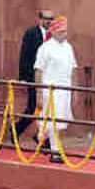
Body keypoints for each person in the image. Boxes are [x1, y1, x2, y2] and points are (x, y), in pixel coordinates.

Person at [35, 17, 77, 164]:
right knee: (54, 121)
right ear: (53, 32)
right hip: (50, 90)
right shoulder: (45, 48)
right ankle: (55, 151)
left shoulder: (68, 47)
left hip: (65, 89)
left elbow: (73, 70)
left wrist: (74, 90)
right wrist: (39, 92)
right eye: (60, 31)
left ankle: (41, 135)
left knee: (60, 120)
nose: (64, 34)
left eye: (65, 31)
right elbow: (38, 71)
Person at [15, 9, 54, 138]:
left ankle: (42, 137)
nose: (49, 21)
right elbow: (24, 55)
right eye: (46, 18)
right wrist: (23, 78)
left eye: (51, 19)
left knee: (50, 110)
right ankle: (17, 129)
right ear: (40, 19)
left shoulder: (54, 35)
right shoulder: (31, 33)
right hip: (34, 76)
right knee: (33, 107)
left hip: (50, 78)